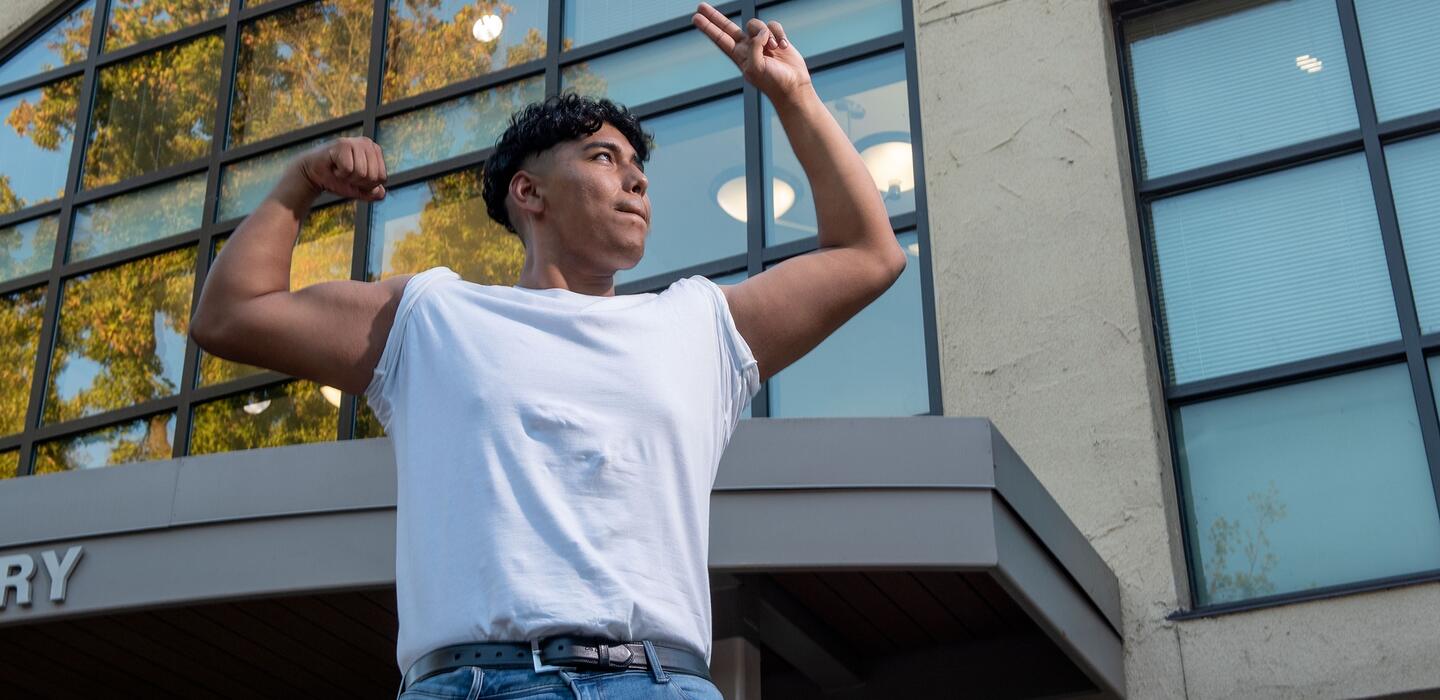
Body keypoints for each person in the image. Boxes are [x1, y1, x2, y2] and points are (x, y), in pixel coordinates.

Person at [189, 4, 906, 698]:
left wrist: (797, 97)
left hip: (658, 682)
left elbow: (870, 255)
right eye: (604, 157)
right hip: (473, 681)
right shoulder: (433, 315)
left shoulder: (698, 326)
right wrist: (300, 183)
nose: (637, 179)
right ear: (528, 192)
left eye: (638, 168)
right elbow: (232, 315)